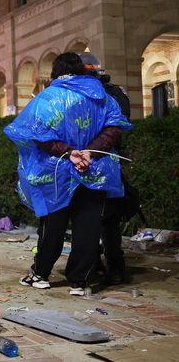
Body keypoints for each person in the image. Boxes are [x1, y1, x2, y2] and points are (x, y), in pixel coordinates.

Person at [4, 52, 132, 296]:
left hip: (56, 174)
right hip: (94, 170)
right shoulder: (101, 96)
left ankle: (40, 274)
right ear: (83, 70)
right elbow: (114, 128)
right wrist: (88, 153)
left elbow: (37, 134)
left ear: (55, 71)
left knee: (53, 224)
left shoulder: (48, 98)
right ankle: (80, 281)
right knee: (88, 225)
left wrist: (70, 152)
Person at [80, 52, 132, 285]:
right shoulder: (116, 92)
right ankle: (115, 266)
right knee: (108, 217)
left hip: (91, 161)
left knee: (90, 216)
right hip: (110, 161)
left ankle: (94, 266)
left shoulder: (93, 96)